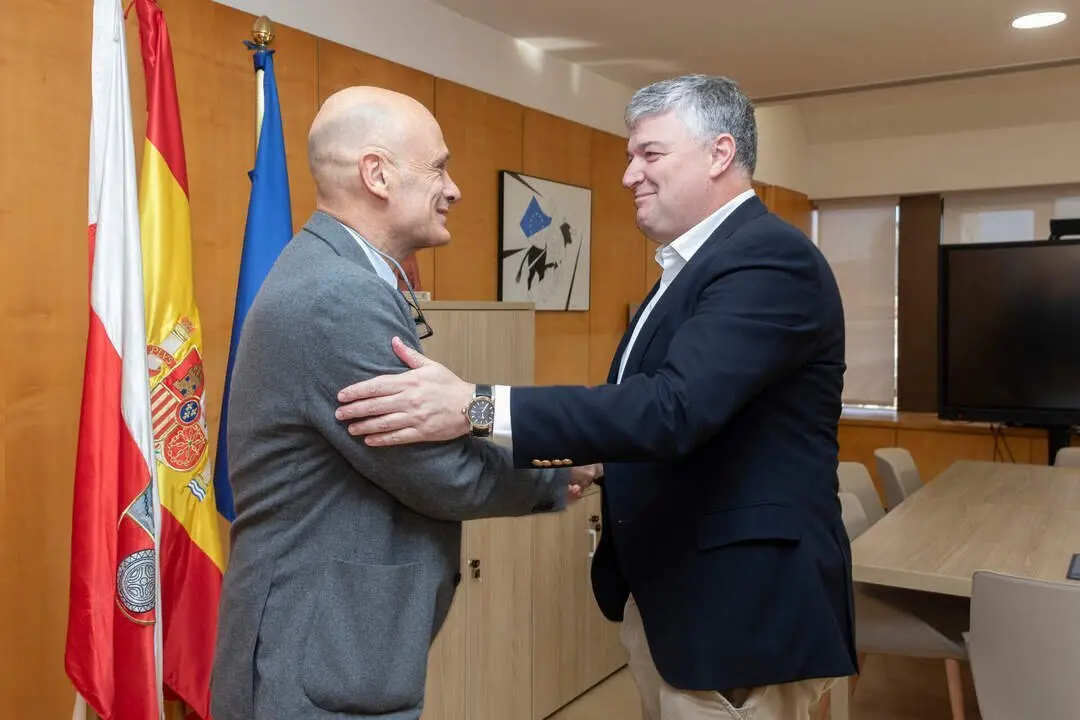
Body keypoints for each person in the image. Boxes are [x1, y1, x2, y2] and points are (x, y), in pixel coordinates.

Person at [333, 74, 858, 719]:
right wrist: (600, 460)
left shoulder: (770, 260)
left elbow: (673, 409)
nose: (629, 174)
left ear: (721, 155)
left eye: (651, 154)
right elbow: (673, 414)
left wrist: (475, 406)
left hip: (736, 608)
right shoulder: (692, 266)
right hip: (676, 597)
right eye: (630, 155)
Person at [210, 86, 576, 720]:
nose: (454, 188)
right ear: (376, 174)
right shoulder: (338, 297)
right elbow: (445, 473)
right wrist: (568, 472)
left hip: (330, 645)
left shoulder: (335, 273)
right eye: (437, 167)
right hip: (315, 656)